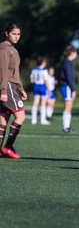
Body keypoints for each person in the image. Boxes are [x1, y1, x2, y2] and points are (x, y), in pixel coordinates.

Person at [0, 22, 28, 159]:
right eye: (14, 34)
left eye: (18, 34)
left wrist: (21, 89)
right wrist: (3, 91)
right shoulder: (4, 49)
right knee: (21, 116)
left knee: (3, 119)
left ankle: (2, 150)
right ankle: (7, 147)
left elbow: (15, 73)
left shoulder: (13, 49)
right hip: (7, 87)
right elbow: (3, 72)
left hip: (11, 86)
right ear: (6, 33)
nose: (17, 36)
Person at [59, 46, 77, 133]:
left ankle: (67, 126)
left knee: (69, 105)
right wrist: (73, 89)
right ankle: (65, 127)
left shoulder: (67, 62)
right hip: (66, 86)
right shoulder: (67, 62)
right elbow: (69, 77)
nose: (76, 54)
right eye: (75, 52)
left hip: (67, 86)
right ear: (71, 53)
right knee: (68, 105)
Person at [30, 57, 50, 125]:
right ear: (43, 63)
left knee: (35, 103)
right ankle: (42, 120)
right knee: (43, 103)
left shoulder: (34, 70)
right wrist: (49, 89)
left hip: (36, 86)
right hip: (42, 86)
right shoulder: (44, 70)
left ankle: (33, 120)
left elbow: (31, 80)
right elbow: (46, 80)